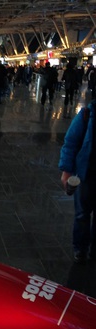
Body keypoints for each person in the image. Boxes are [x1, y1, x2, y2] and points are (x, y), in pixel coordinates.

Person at [58, 100, 96, 262]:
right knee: (82, 214)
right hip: (85, 174)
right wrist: (66, 171)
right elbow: (70, 143)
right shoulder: (87, 114)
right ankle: (80, 248)